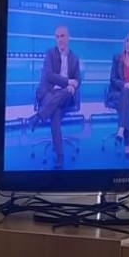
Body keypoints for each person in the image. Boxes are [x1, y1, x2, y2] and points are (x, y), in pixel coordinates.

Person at [30, 25, 81, 169]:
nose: (60, 39)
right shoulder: (50, 54)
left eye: (62, 36)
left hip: (65, 95)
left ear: (68, 37)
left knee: (66, 93)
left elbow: (78, 80)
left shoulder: (74, 58)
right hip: (49, 93)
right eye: (57, 37)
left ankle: (39, 117)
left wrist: (73, 86)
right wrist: (68, 82)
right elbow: (49, 76)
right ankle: (60, 155)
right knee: (55, 112)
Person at [105, 31, 129, 157]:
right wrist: (124, 85)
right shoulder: (117, 58)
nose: (128, 44)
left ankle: (121, 130)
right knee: (126, 102)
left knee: (127, 97)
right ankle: (127, 144)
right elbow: (112, 79)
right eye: (127, 41)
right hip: (116, 93)